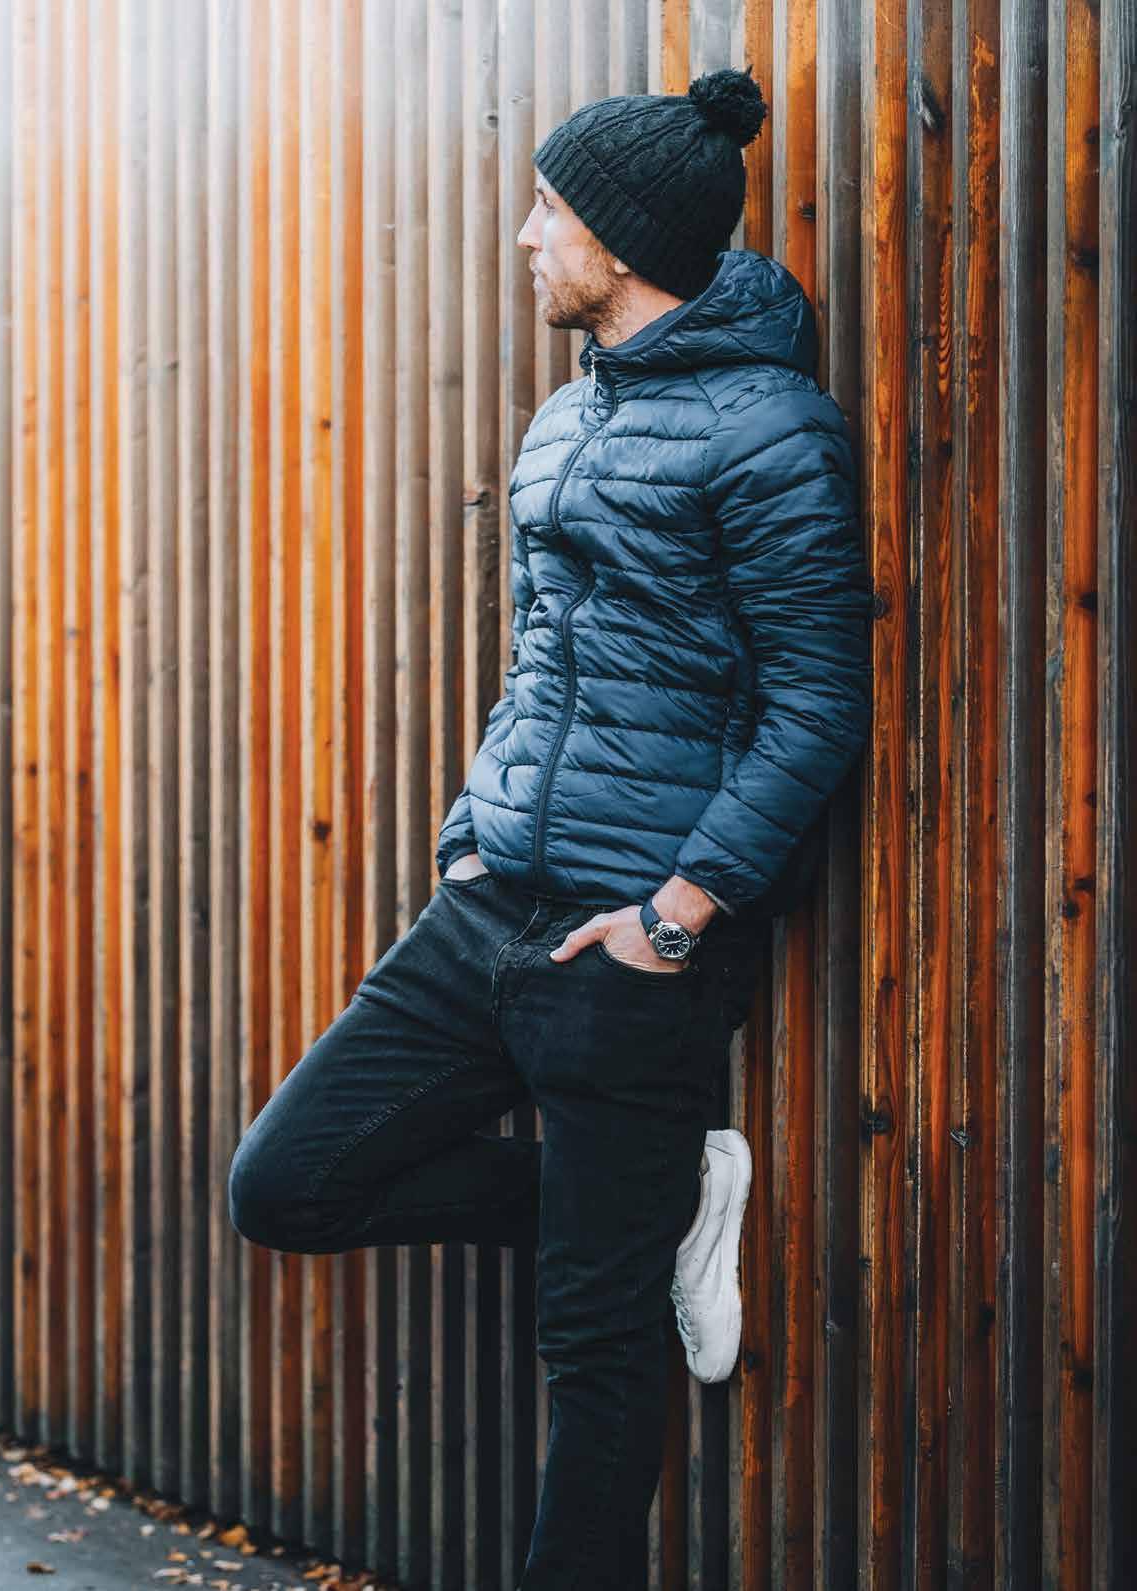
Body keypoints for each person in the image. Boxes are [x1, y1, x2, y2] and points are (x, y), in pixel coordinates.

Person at [228, 65, 874, 1590]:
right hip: (487, 907)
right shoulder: (565, 416)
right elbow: (541, 657)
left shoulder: (772, 433)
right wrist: (469, 834)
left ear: (624, 239)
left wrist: (676, 915)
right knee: (288, 1185)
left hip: (628, 942)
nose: (524, 237)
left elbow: (815, 704)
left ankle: (631, 1230)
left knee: (593, 1345)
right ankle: (662, 1204)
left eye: (547, 211)